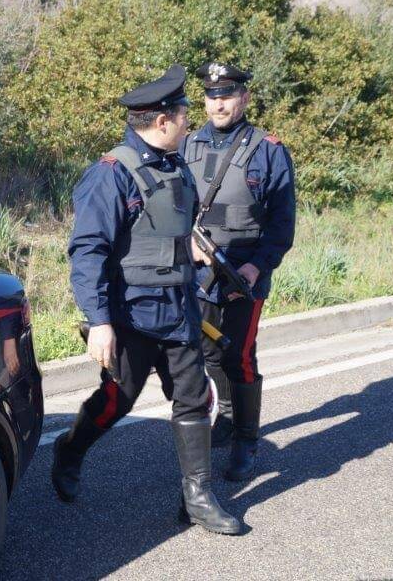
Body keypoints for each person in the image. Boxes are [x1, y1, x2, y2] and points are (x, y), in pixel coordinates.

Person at [52, 64, 241, 535]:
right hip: (130, 315)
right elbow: (88, 251)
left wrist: (190, 248)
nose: (189, 119)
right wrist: (99, 321)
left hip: (179, 308)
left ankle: (197, 497)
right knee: (119, 398)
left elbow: (172, 224)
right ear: (162, 122)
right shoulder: (109, 175)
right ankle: (70, 449)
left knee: (193, 399)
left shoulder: (176, 165)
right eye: (182, 113)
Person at [182, 61, 295, 481]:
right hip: (197, 275)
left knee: (240, 357)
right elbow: (174, 209)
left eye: (227, 95)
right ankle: (226, 414)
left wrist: (256, 266)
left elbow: (282, 225)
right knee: (208, 351)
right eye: (212, 96)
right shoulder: (187, 145)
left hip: (242, 277)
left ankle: (246, 440)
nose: (219, 103)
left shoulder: (268, 150)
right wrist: (183, 243)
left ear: (244, 98)